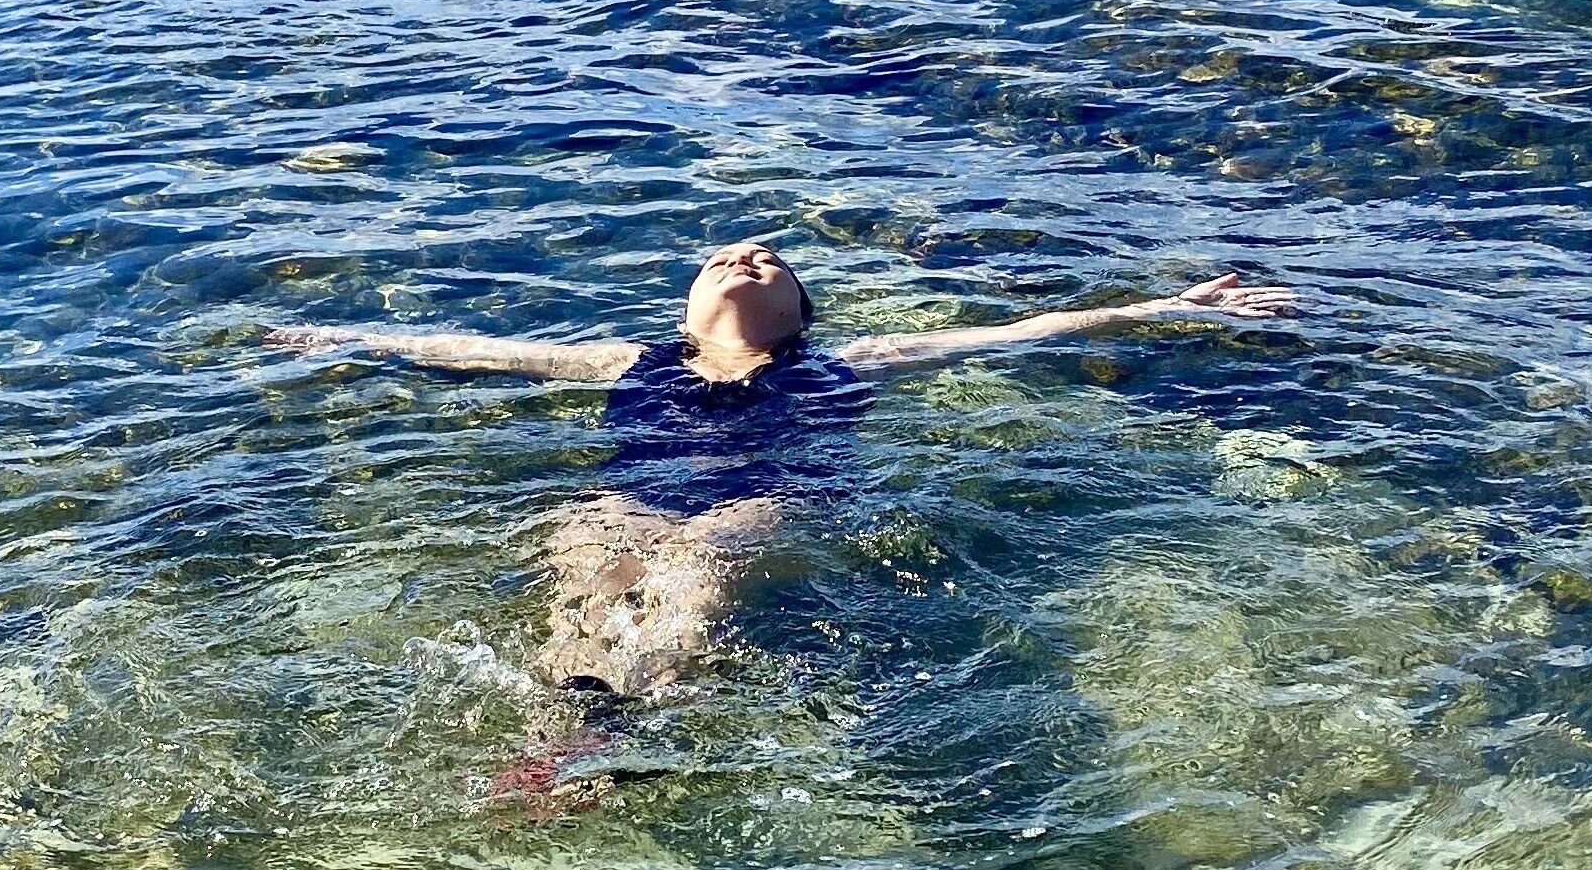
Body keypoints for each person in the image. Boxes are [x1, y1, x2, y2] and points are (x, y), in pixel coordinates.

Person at [266, 239, 1296, 698]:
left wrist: (1169, 305)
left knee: (695, 567)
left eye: (771, 261)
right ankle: (552, 733)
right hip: (627, 498)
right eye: (722, 254)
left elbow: (1021, 329)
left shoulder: (855, 360)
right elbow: (475, 349)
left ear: (801, 313)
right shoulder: (624, 360)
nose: (745, 250)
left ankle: (608, 716)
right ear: (684, 309)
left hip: (771, 504)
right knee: (587, 574)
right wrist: (337, 333)